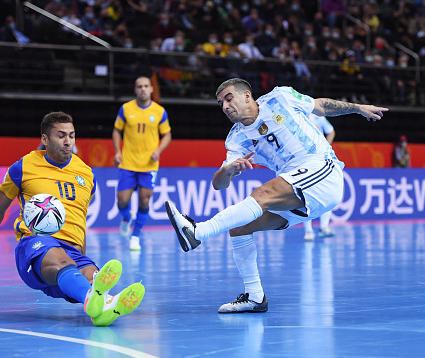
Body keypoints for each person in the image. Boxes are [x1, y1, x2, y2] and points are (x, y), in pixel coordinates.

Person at [165, 78, 387, 313]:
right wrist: (228, 170)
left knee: (262, 193)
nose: (225, 107)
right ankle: (255, 297)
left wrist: (358, 108)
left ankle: (198, 233)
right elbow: (219, 185)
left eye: (229, 99)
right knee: (240, 227)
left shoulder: (279, 97)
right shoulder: (236, 138)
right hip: (298, 190)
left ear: (247, 96)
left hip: (322, 169)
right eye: (221, 104)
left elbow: (320, 106)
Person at [0, 112, 145, 326]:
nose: (68, 141)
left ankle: (102, 307)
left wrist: (81, 257)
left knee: (90, 274)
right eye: (61, 135)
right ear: (45, 139)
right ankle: (98, 297)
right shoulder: (23, 167)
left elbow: (79, 221)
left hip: (71, 251)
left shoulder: (86, 174)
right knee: (65, 263)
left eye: (71, 135)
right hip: (35, 246)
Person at [113, 76, 172, 251]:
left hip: (149, 165)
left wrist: (158, 150)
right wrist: (117, 151)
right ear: (135, 89)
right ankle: (126, 218)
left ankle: (135, 236)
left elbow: (167, 135)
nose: (143, 89)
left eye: (146, 86)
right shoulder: (125, 109)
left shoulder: (160, 111)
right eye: (139, 86)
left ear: (151, 89)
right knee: (122, 200)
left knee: (144, 201)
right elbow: (117, 131)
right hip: (128, 163)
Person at [302, 113, 336, 241]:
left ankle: (324, 227)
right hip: (305, 161)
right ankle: (308, 230)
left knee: (327, 193)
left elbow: (331, 131)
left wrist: (326, 148)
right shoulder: (296, 116)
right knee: (306, 196)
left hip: (322, 160)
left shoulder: (318, 116)